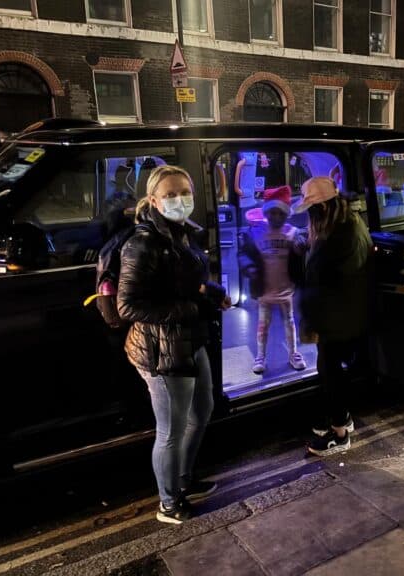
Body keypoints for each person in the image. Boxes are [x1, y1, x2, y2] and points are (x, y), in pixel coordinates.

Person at [117, 165, 231, 524]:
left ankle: (184, 479)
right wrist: (192, 307)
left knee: (203, 411)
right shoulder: (142, 244)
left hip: (191, 339)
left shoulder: (183, 234)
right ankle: (168, 502)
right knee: (170, 430)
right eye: (169, 195)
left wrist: (211, 294)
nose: (179, 200)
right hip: (161, 352)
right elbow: (128, 305)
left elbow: (190, 282)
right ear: (153, 200)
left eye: (184, 192)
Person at [293, 177, 373, 457]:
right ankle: (339, 416)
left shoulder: (338, 235)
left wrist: (302, 255)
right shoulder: (348, 222)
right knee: (331, 369)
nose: (309, 220)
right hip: (344, 312)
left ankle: (339, 433)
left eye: (311, 212)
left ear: (323, 208)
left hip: (337, 316)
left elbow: (321, 278)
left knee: (331, 373)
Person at [238, 184, 307, 374]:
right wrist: (249, 268)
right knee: (263, 325)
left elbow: (301, 246)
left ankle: (293, 353)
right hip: (265, 290)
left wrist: (301, 247)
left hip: (286, 289)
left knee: (290, 322)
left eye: (281, 214)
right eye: (273, 213)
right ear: (266, 213)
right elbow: (244, 254)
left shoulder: (292, 232)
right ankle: (260, 355)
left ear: (287, 214)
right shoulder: (255, 232)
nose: (276, 217)